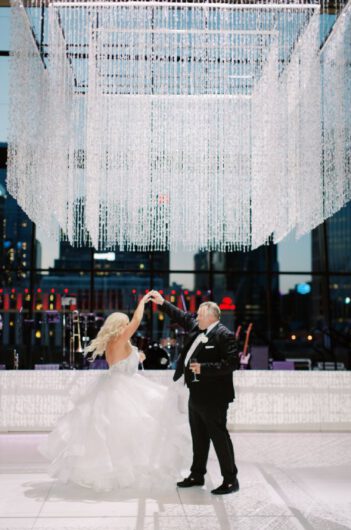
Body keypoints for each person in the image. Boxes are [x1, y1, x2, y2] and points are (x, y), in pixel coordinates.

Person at [39, 293, 189, 492]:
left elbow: (126, 360)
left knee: (116, 434)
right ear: (121, 326)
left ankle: (124, 471)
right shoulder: (120, 337)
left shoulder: (112, 343)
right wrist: (142, 302)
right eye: (125, 324)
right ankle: (132, 471)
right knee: (135, 428)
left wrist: (139, 355)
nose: (129, 327)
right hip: (124, 388)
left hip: (114, 385)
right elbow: (136, 321)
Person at [150, 290, 240, 495]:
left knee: (219, 437)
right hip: (196, 394)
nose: (196, 317)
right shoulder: (198, 328)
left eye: (200, 314)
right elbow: (181, 316)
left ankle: (230, 480)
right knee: (198, 438)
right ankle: (196, 474)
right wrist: (162, 302)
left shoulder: (224, 335)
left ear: (211, 317)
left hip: (215, 397)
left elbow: (232, 363)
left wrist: (204, 367)